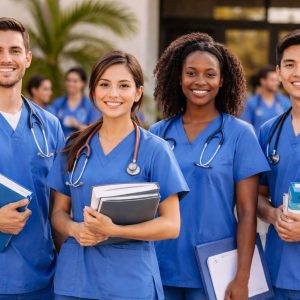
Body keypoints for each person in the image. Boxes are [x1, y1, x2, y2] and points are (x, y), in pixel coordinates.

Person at [47, 50, 189, 300]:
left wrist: (114, 230)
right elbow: (58, 212)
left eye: (123, 85)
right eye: (104, 85)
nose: (113, 94)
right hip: (76, 281)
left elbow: (171, 225)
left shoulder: (155, 150)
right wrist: (74, 229)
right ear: (93, 92)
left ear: (137, 93)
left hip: (130, 283)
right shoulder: (74, 147)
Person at [149, 32, 270, 300]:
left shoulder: (240, 134)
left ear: (222, 79)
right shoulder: (158, 133)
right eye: (191, 73)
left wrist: (242, 277)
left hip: (215, 268)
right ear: (179, 78)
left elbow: (248, 212)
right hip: (161, 264)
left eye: (210, 74)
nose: (200, 81)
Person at [0, 17, 65, 299]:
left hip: (40, 280)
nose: (6, 59)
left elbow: (62, 202)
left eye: (14, 50)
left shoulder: (49, 126)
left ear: (27, 59)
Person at [258, 30, 300, 299]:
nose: (297, 72)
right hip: (278, 270)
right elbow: (256, 197)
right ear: (278, 71)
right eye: (290, 64)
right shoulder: (268, 131)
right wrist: (273, 216)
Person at [49, 67, 101, 137]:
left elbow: (94, 132)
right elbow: (50, 128)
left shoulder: (91, 105)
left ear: (83, 83)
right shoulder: (57, 103)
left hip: (82, 146)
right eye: (68, 80)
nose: (71, 84)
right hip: (61, 146)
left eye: (75, 81)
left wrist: (77, 125)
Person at [240, 65, 290, 135]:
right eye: (272, 80)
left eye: (277, 80)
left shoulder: (286, 102)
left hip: (279, 145)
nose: (276, 83)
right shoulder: (252, 103)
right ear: (263, 81)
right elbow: (245, 128)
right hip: (258, 145)